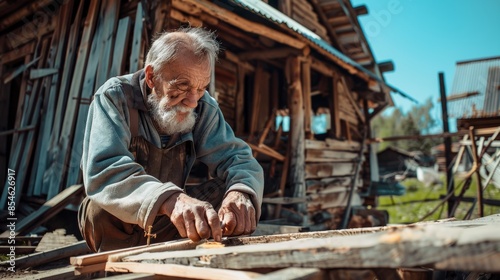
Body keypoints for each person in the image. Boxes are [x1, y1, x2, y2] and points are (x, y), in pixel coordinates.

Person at [78, 27, 264, 252]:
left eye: (201, 88)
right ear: (151, 77)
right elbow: (104, 170)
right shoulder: (114, 97)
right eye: (181, 88)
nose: (193, 101)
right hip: (118, 226)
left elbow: (238, 159)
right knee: (99, 207)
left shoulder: (203, 106)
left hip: (172, 222)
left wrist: (241, 192)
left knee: (230, 187)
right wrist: (171, 199)